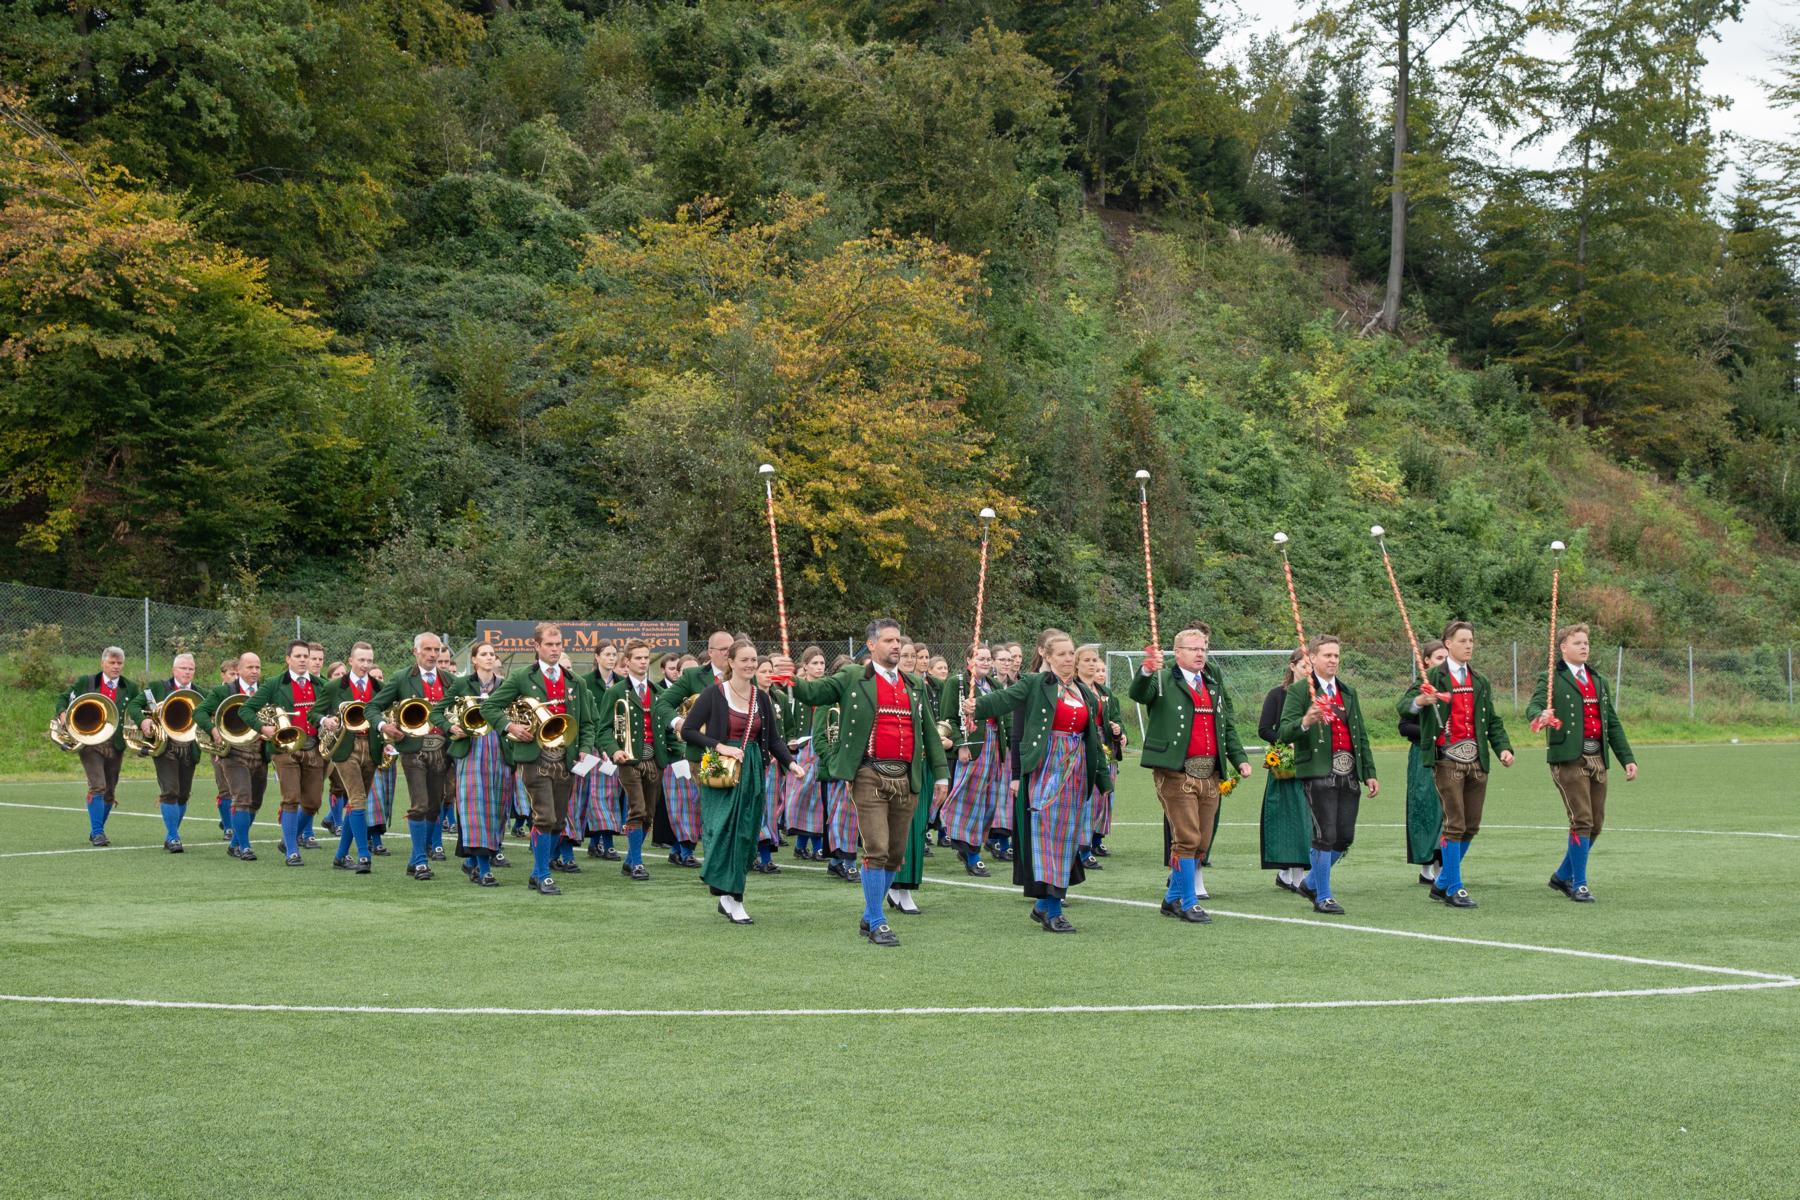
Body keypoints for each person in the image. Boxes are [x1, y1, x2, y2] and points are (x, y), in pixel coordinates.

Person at [790, 620, 949, 947]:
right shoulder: (852, 677)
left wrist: (942, 773)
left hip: (906, 776)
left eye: (898, 640)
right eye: (889, 640)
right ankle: (877, 920)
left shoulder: (914, 683)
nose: (896, 646)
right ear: (871, 645)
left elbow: (929, 732)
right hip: (867, 773)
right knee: (876, 847)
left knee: (895, 852)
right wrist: (790, 680)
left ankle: (870, 913)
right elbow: (813, 692)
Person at [965, 630, 1114, 933]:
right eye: (1061, 654)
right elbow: (1004, 699)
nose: (1068, 659)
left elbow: (1092, 741)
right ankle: (1054, 910)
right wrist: (976, 707)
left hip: (1077, 770)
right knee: (1048, 837)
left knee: (1068, 836)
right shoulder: (1035, 684)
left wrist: (1101, 779)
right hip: (1046, 769)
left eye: (1071, 653)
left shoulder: (1084, 692)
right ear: (1046, 655)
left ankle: (1044, 905)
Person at [1132, 627, 1251, 923]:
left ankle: (1172, 899)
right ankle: (1188, 901)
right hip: (1176, 771)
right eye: (1194, 649)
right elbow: (1137, 693)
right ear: (1178, 652)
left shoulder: (1212, 681)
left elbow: (1227, 725)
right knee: (1186, 837)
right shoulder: (1162, 679)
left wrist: (1239, 758)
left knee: (1202, 841)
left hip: (1210, 771)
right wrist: (1147, 669)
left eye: (1204, 649)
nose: (1200, 654)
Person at [680, 639, 801, 924]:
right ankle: (729, 895)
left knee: (746, 834)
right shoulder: (713, 693)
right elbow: (688, 730)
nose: (750, 665)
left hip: (752, 773)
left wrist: (791, 763)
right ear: (730, 662)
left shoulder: (762, 698)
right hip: (721, 770)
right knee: (722, 832)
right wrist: (720, 746)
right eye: (744, 660)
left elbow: (772, 739)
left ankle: (732, 895)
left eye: (753, 661)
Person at [479, 622, 599, 896]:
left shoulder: (575, 681)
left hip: (565, 759)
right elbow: (490, 707)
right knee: (544, 816)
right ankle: (544, 875)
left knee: (558, 821)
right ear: (537, 646)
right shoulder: (522, 677)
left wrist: (586, 747)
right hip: (535, 757)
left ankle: (537, 872)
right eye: (549, 644)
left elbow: (588, 722)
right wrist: (511, 727)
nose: (555, 649)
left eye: (558, 645)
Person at [1402, 620, 1514, 909]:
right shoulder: (1432, 678)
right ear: (1448, 643)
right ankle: (1454, 886)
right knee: (1454, 823)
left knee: (1471, 825)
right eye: (1463, 640)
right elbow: (1403, 707)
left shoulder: (1480, 681)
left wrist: (1503, 748)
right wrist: (1421, 700)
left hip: (1476, 759)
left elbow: (1492, 721)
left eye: (1471, 641)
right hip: (1446, 759)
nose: (1468, 646)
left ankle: (1441, 883)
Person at [1526, 624, 1638, 903]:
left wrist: (1627, 758)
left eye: (1586, 642)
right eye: (1578, 643)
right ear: (1563, 647)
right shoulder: (1551, 678)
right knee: (1582, 820)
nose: (1584, 647)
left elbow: (1611, 721)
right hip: (1568, 758)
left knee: (1596, 823)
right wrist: (1542, 714)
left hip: (1597, 757)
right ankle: (1580, 883)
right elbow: (1533, 706)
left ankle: (1562, 875)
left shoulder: (1598, 680)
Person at [1276, 636, 1379, 915]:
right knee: (1325, 834)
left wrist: (1368, 772)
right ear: (1312, 658)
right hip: (1318, 771)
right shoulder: (1299, 692)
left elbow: (1361, 736)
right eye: (1327, 655)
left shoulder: (1348, 693)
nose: (1333, 660)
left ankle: (1310, 882)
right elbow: (1284, 731)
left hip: (1348, 773)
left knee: (1344, 837)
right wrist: (1306, 721)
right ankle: (1324, 895)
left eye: (1336, 656)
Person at [372, 632, 456, 880]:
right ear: (415, 652)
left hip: (442, 750)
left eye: (437, 650)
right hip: (413, 751)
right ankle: (420, 860)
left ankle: (415, 858)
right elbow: (373, 707)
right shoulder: (401, 678)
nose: (432, 654)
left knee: (434, 807)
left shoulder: (450, 679)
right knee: (420, 805)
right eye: (427, 649)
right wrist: (383, 726)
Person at [242, 639, 327, 866]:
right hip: (284, 749)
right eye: (297, 656)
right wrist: (263, 728)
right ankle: (292, 850)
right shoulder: (273, 684)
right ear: (288, 659)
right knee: (291, 799)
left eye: (305, 656)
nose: (302, 660)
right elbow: (246, 709)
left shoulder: (321, 684)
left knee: (313, 803)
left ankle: (286, 840)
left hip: (313, 747)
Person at [437, 642, 512, 886]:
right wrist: (451, 727)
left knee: (497, 811)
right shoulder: (462, 683)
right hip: (471, 752)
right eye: (484, 654)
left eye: (492, 654)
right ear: (474, 660)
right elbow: (436, 712)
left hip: (500, 752)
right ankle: (484, 868)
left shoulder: (505, 685)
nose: (489, 658)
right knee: (475, 811)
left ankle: (471, 861)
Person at [595, 639, 666, 882]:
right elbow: (602, 729)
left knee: (649, 813)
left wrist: (676, 757)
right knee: (637, 809)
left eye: (646, 657)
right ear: (627, 661)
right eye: (638, 658)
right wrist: (614, 750)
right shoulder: (616, 691)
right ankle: (636, 862)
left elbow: (666, 730)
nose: (643, 662)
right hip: (629, 759)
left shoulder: (658, 692)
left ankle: (629, 860)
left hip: (654, 759)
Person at [60, 646, 140, 847]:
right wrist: (63, 713)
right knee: (98, 786)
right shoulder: (86, 682)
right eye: (112, 663)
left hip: (116, 743)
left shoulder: (129, 687)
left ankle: (97, 829)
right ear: (102, 663)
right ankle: (97, 833)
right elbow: (63, 698)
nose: (116, 667)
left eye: (119, 663)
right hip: (90, 741)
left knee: (110, 791)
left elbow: (138, 708)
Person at [312, 643, 380, 874]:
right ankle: (363, 855)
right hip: (345, 747)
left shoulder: (379, 686)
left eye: (369, 661)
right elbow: (314, 712)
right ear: (351, 660)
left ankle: (341, 856)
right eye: (361, 660)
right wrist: (325, 721)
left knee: (355, 801)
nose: (365, 665)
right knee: (358, 799)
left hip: (371, 748)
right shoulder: (334, 687)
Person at [125, 652, 202, 852]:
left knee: (183, 794)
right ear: (174, 670)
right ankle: (175, 837)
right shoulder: (158, 688)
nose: (187, 672)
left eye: (191, 668)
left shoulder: (200, 693)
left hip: (190, 747)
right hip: (165, 746)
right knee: (170, 791)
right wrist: (143, 720)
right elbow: (134, 704)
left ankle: (171, 835)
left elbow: (210, 714)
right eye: (183, 668)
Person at [936, 643, 1001, 876]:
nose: (985, 662)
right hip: (973, 747)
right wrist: (961, 744)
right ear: (968, 661)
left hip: (994, 748)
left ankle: (972, 845)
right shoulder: (958, 683)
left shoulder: (994, 685)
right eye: (980, 658)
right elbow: (947, 718)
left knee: (991, 801)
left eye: (987, 658)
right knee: (970, 800)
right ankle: (970, 851)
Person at [195, 652, 267, 860]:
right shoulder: (223, 691)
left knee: (255, 802)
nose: (254, 671)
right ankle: (245, 846)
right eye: (250, 667)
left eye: (258, 668)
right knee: (242, 797)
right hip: (233, 752)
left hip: (259, 751)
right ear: (240, 670)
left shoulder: (265, 691)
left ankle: (235, 842)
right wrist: (213, 730)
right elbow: (199, 712)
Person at [1259, 648, 1313, 893]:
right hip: (1285, 764)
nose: (1308, 670)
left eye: (1311, 665)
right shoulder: (1277, 695)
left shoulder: (1318, 695)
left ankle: (1298, 874)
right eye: (1304, 665)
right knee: (1287, 819)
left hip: (1314, 763)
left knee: (1308, 818)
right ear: (1292, 666)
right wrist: (1286, 740)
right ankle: (1287, 872)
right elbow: (1264, 729)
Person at [1400, 640, 1449, 886]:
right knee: (1427, 807)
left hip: (1453, 755)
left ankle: (1446, 863)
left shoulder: (1458, 685)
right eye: (1439, 657)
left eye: (1446, 657)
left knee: (1450, 809)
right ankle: (1427, 863)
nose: (1444, 662)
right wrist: (1432, 731)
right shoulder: (1421, 686)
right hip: (1425, 756)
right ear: (1427, 660)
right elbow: (1404, 723)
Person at [578, 643, 627, 862]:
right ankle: (599, 842)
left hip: (614, 747)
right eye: (607, 654)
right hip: (593, 747)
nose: (611, 658)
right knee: (595, 796)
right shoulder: (585, 682)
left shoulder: (621, 683)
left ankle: (602, 843)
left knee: (610, 795)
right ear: (597, 657)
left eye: (614, 655)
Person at [782, 646, 829, 861]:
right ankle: (802, 844)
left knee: (819, 797)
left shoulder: (829, 688)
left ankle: (815, 846)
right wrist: (790, 738)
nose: (819, 667)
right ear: (805, 666)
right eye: (815, 663)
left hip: (822, 747)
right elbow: (787, 718)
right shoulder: (795, 690)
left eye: (822, 663)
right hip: (802, 748)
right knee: (802, 796)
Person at [817, 653, 860, 882]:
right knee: (840, 817)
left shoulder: (860, 701)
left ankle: (836, 862)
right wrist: (835, 761)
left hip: (857, 767)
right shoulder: (827, 702)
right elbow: (819, 739)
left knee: (854, 817)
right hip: (834, 771)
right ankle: (849, 863)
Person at [983, 642, 1023, 861]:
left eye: (1014, 658)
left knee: (1008, 795)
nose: (1011, 662)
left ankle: (1004, 841)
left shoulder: (1021, 684)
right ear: (993, 663)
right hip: (992, 743)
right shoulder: (988, 686)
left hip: (1012, 745)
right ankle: (991, 837)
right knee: (993, 793)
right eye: (1005, 659)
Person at [209, 658, 239, 839]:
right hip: (220, 745)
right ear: (223, 674)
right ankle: (229, 826)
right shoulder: (217, 693)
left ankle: (229, 818)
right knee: (225, 786)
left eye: (237, 674)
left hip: (241, 743)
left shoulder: (243, 691)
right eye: (231, 674)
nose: (235, 677)